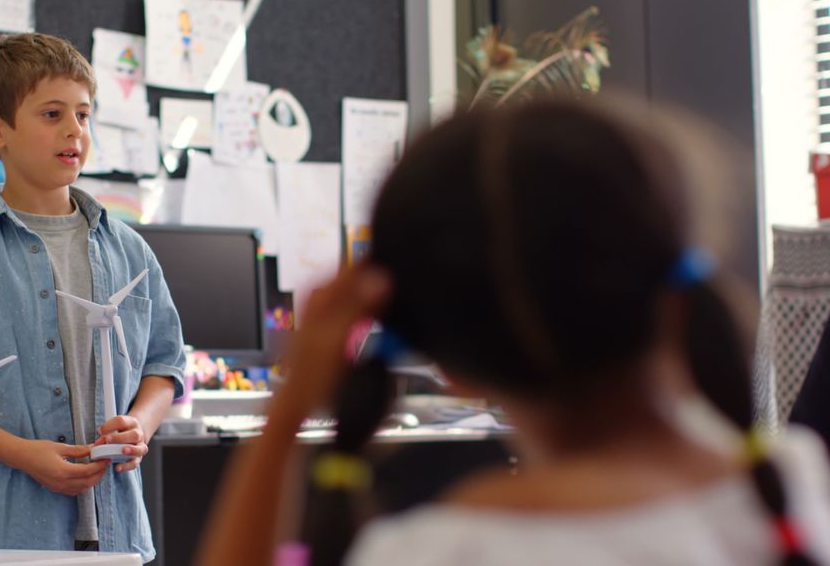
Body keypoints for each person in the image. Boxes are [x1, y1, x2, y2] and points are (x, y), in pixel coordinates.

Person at [197, 99, 830, 566]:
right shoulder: (793, 486)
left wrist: (285, 418)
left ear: (451, 367)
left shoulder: (441, 552)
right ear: (681, 301)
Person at [0, 33, 186, 561]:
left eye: (83, 114)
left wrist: (140, 424)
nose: (75, 130)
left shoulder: (132, 251)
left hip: (119, 532)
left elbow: (165, 366)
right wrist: (22, 454)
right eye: (52, 114)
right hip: (8, 534)